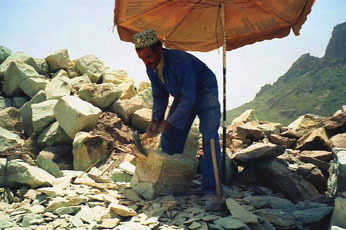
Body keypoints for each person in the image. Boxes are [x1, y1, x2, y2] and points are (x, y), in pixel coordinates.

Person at [134, 29, 222, 196]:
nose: (146, 62)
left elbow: (189, 98)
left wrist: (167, 122)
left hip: (205, 90)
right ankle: (170, 183)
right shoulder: (151, 68)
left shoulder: (180, 61)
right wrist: (155, 120)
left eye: (148, 57)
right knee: (170, 135)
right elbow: (160, 96)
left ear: (159, 49)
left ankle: (212, 190)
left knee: (209, 137)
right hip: (184, 95)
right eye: (142, 59)